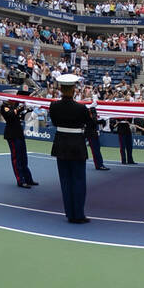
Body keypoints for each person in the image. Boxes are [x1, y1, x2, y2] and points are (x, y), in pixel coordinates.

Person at [48, 74, 92, 224]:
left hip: (61, 144)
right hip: (77, 145)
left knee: (65, 181)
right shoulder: (81, 108)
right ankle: (78, 214)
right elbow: (89, 123)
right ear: (74, 89)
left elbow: (54, 122)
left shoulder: (53, 106)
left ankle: (69, 212)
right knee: (78, 181)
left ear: (60, 89)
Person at [0, 98, 38, 188]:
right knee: (16, 158)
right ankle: (20, 180)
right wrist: (19, 108)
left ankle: (28, 178)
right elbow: (10, 115)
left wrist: (28, 109)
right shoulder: (5, 107)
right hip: (12, 134)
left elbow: (23, 116)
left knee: (23, 157)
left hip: (19, 133)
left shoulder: (14, 106)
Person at [85, 105, 110, 170]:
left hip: (93, 135)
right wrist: (101, 121)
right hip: (92, 136)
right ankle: (99, 165)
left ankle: (98, 165)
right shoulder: (89, 118)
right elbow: (93, 122)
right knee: (96, 151)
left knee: (96, 151)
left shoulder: (91, 117)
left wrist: (100, 121)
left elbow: (94, 122)